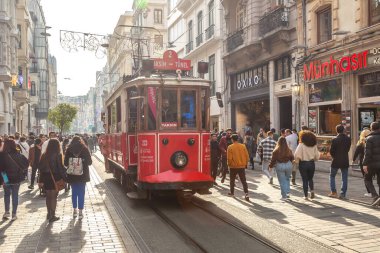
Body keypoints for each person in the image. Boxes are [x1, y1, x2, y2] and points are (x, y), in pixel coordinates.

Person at [64, 136, 92, 219]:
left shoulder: (69, 149)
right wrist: (82, 161)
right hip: (82, 175)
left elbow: (65, 163)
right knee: (81, 193)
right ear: (81, 141)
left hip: (72, 174)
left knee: (74, 192)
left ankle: (74, 211)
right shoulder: (84, 148)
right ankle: (80, 212)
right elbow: (90, 162)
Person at [39, 139, 66, 222]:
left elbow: (40, 168)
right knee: (54, 197)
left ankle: (49, 213)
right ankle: (53, 215)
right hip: (55, 177)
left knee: (48, 196)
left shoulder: (44, 155)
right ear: (57, 146)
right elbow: (60, 168)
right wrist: (65, 178)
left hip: (46, 177)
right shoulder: (58, 154)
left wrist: (40, 180)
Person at [0, 139, 28, 221]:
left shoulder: (2, 155)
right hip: (17, 177)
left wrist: (4, 179)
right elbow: (26, 164)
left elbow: (1, 168)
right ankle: (14, 214)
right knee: (15, 195)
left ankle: (7, 211)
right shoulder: (18, 154)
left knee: (6, 194)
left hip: (6, 177)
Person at [294, 131, 320, 200]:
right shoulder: (314, 145)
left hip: (303, 164)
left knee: (304, 180)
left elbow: (297, 154)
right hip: (311, 164)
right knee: (310, 179)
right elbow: (317, 156)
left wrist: (296, 161)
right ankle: (312, 191)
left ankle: (306, 196)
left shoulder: (301, 145)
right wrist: (315, 159)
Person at [329, 125, 351, 199]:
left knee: (332, 176)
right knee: (344, 178)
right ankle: (343, 194)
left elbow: (331, 151)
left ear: (336, 130)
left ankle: (333, 192)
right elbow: (348, 149)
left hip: (335, 160)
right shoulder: (348, 139)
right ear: (343, 130)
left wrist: (334, 156)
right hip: (345, 160)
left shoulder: (335, 139)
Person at [227, 134, 249, 201]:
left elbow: (229, 158)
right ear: (238, 139)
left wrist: (229, 165)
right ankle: (246, 193)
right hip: (241, 166)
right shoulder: (243, 146)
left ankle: (232, 192)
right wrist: (245, 164)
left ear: (232, 140)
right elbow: (247, 156)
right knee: (243, 180)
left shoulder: (230, 147)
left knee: (232, 180)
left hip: (233, 167)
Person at [362, 122, 380, 206]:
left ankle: (375, 196)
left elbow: (367, 154)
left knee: (367, 179)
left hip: (372, 164)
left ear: (371, 128)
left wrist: (365, 164)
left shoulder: (369, 138)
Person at [353, 129, 372, 197]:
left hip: (363, 162)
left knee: (366, 178)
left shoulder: (360, 143)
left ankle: (370, 192)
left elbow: (356, 152)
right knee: (371, 177)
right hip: (372, 161)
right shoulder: (372, 141)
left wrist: (353, 159)